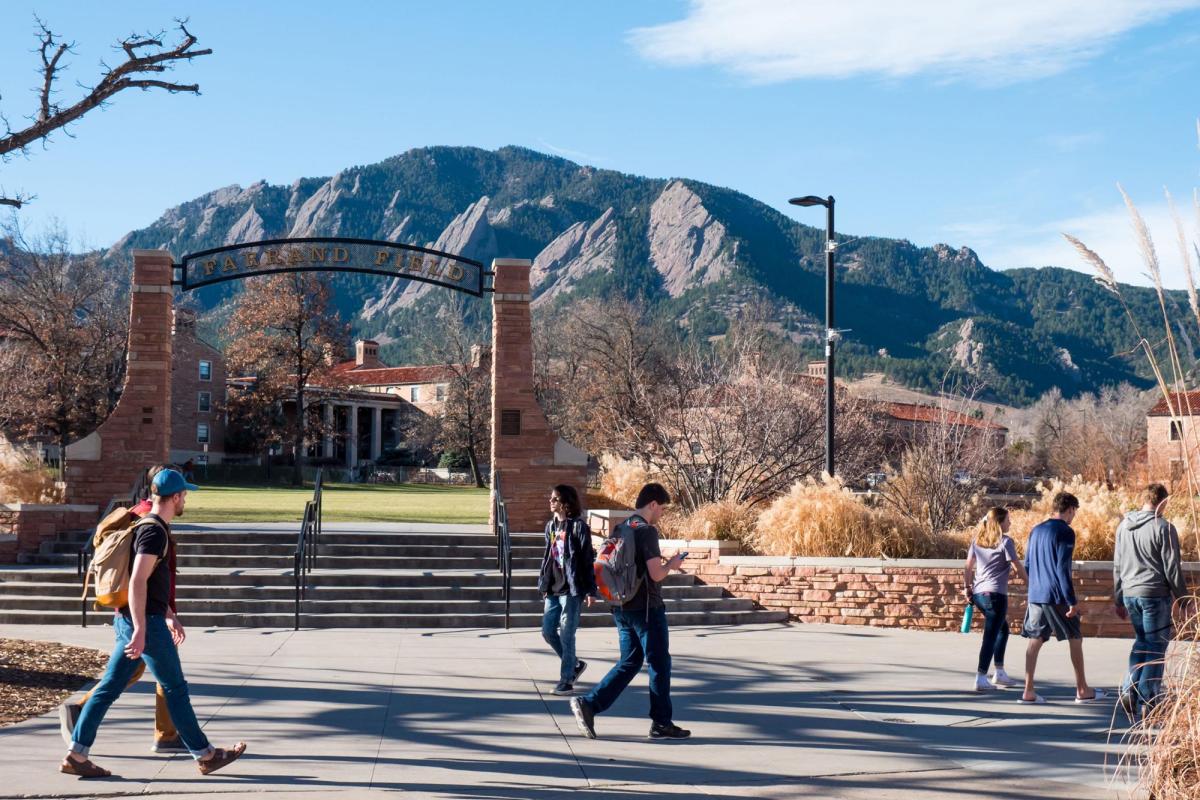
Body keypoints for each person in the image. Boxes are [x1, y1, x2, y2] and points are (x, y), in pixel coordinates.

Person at [59, 469, 247, 778]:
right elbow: (137, 581)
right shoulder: (154, 531)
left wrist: (170, 615)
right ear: (174, 497)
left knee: (108, 688)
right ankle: (206, 755)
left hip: (131, 619)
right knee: (175, 688)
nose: (185, 499)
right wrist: (143, 630)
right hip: (143, 622)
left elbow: (151, 582)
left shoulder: (148, 526)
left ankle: (77, 755)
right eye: (184, 495)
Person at [60, 464, 186, 754]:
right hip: (144, 615)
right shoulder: (148, 520)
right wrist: (158, 617)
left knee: (127, 676)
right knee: (163, 680)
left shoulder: (141, 514)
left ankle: (81, 733)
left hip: (144, 613)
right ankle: (170, 737)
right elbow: (141, 577)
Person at [570, 483, 691, 740]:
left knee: (630, 661)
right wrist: (672, 564)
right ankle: (661, 723)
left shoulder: (622, 527)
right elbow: (656, 573)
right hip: (647, 608)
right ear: (653, 504)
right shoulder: (647, 531)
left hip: (621, 606)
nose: (662, 514)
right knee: (659, 663)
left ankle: (590, 704)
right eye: (662, 509)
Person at [1019, 491, 1107, 705]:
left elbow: (1028, 565)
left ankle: (1028, 691)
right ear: (1069, 510)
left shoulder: (1036, 530)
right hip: (1055, 595)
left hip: (1036, 593)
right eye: (1074, 512)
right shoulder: (1066, 532)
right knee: (1075, 637)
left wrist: (1035, 588)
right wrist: (1071, 602)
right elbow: (1062, 569)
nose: (1074, 516)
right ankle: (1083, 690)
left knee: (1035, 639)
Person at [1113, 483, 1189, 719]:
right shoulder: (1164, 528)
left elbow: (1117, 564)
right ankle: (1148, 696)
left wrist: (1118, 598)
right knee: (1156, 645)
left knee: (1142, 642)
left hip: (1130, 593)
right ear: (1162, 502)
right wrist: (1184, 600)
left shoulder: (1123, 526)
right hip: (1154, 594)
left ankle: (1129, 689)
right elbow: (1172, 568)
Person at [539, 484, 597, 696]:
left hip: (572, 590)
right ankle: (574, 664)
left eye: (554, 499)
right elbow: (549, 558)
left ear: (565, 503)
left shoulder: (578, 527)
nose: (550, 502)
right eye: (551, 498)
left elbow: (586, 561)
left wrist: (591, 590)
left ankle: (567, 680)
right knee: (547, 631)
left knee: (566, 634)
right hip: (553, 588)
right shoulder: (551, 526)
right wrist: (544, 584)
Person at [963, 507, 1028, 692]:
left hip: (979, 595)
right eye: (1008, 519)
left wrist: (967, 587)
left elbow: (968, 567)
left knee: (1002, 630)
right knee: (991, 635)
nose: (1010, 523)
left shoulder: (977, 541)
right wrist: (1031, 584)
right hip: (995, 596)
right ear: (999, 522)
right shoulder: (1006, 542)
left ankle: (999, 672)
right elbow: (1017, 566)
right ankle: (981, 678)